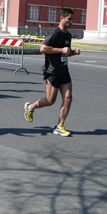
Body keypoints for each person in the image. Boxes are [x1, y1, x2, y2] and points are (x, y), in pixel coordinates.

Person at [23, 8, 80, 137]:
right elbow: (43, 48)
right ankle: (30, 107)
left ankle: (60, 126)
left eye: (72, 19)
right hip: (52, 71)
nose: (71, 22)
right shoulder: (55, 33)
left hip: (64, 71)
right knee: (50, 101)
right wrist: (61, 50)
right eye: (69, 19)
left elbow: (66, 53)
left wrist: (72, 53)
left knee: (68, 98)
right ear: (62, 19)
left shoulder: (68, 35)